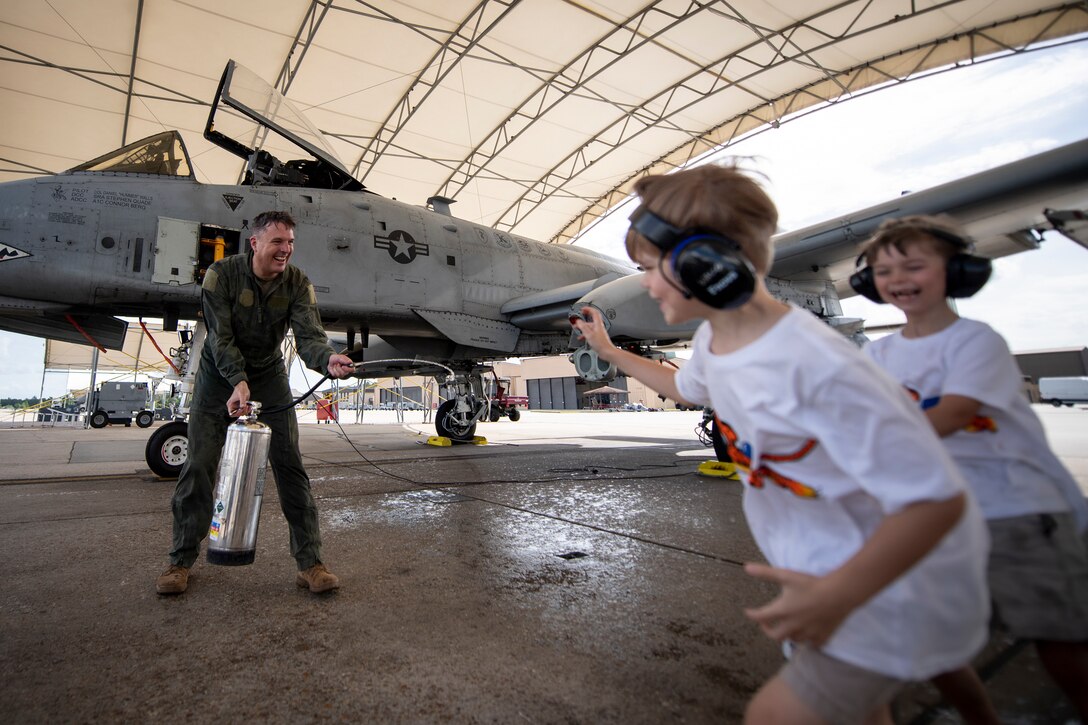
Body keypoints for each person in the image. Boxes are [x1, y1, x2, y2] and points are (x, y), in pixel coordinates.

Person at [571, 163, 990, 724]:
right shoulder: (719, 343)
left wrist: (838, 595)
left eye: (649, 268)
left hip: (879, 587)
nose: (644, 284)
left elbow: (937, 499)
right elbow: (682, 385)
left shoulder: (811, 362)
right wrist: (609, 348)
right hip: (824, 578)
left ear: (705, 264)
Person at [858, 215, 1088, 723]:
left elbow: (954, 414)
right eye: (882, 270)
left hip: (1018, 509)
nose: (897, 279)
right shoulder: (878, 354)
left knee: (1061, 642)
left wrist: (858, 447)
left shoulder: (976, 340)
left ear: (957, 272)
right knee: (933, 645)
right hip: (936, 514)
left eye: (914, 266)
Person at [156, 211, 355, 596]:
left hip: (268, 376)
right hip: (218, 380)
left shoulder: (297, 282)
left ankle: (310, 563)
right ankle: (180, 561)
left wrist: (327, 359)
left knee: (290, 467)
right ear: (255, 244)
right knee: (198, 466)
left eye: (291, 243)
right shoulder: (221, 276)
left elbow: (309, 335)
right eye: (278, 242)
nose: (286, 250)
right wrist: (237, 382)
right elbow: (220, 339)